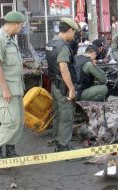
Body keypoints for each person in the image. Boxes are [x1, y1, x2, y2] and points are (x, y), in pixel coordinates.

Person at [0, 11, 26, 158]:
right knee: (10, 121)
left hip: (16, 87)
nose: (22, 28)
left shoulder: (11, 38)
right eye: (21, 25)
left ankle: (10, 150)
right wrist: (5, 88)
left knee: (19, 121)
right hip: (6, 89)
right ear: (14, 24)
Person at [45, 17, 79, 152]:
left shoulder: (51, 43)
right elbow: (64, 69)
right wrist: (71, 89)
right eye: (74, 32)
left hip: (54, 84)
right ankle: (63, 146)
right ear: (69, 30)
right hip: (63, 86)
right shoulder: (63, 46)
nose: (74, 35)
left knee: (58, 114)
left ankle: (58, 140)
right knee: (66, 116)